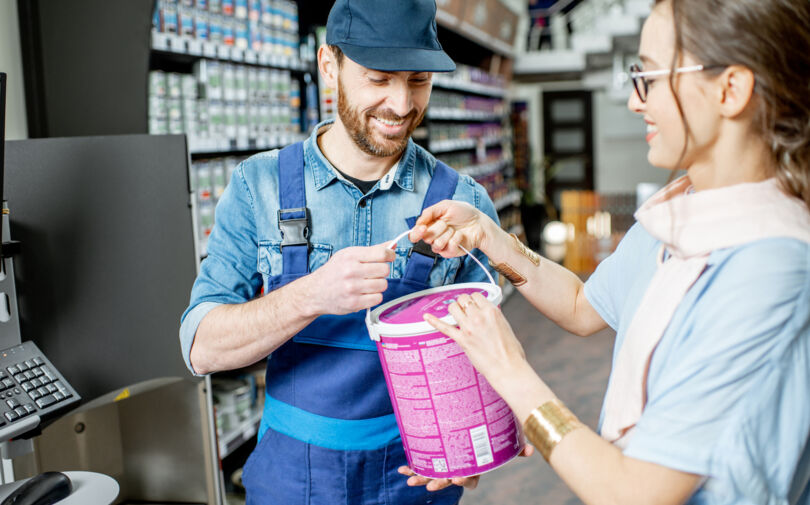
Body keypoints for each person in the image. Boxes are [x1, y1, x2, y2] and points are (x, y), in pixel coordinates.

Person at [405, 0, 810, 503]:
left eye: (651, 78)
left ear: (730, 89)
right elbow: (582, 306)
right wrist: (492, 237)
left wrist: (508, 370)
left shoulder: (769, 265)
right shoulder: (683, 210)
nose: (635, 100)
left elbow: (635, 492)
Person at [179, 0, 501, 503]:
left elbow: (489, 352)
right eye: (379, 78)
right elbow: (201, 347)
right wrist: (310, 295)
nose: (400, 104)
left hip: (417, 474)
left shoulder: (465, 204)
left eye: (418, 80)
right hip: (295, 476)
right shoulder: (258, 186)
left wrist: (479, 436)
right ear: (329, 64)